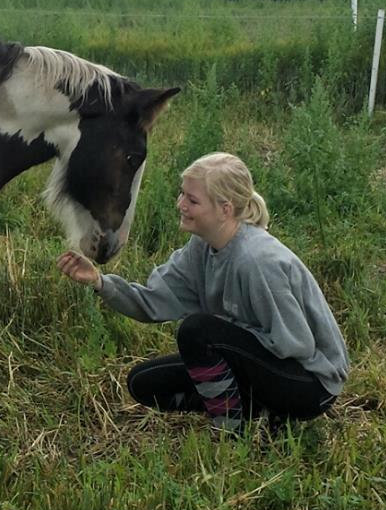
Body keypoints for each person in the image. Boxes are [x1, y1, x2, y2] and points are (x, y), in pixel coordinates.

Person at [56, 152, 348, 434]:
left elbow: (296, 346)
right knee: (143, 383)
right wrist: (100, 282)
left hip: (309, 384)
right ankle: (249, 409)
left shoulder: (257, 261)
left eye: (192, 200)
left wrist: (227, 335)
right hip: (261, 365)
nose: (180, 204)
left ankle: (231, 431)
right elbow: (150, 302)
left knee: (198, 330)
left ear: (225, 209)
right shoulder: (201, 248)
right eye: (182, 194)